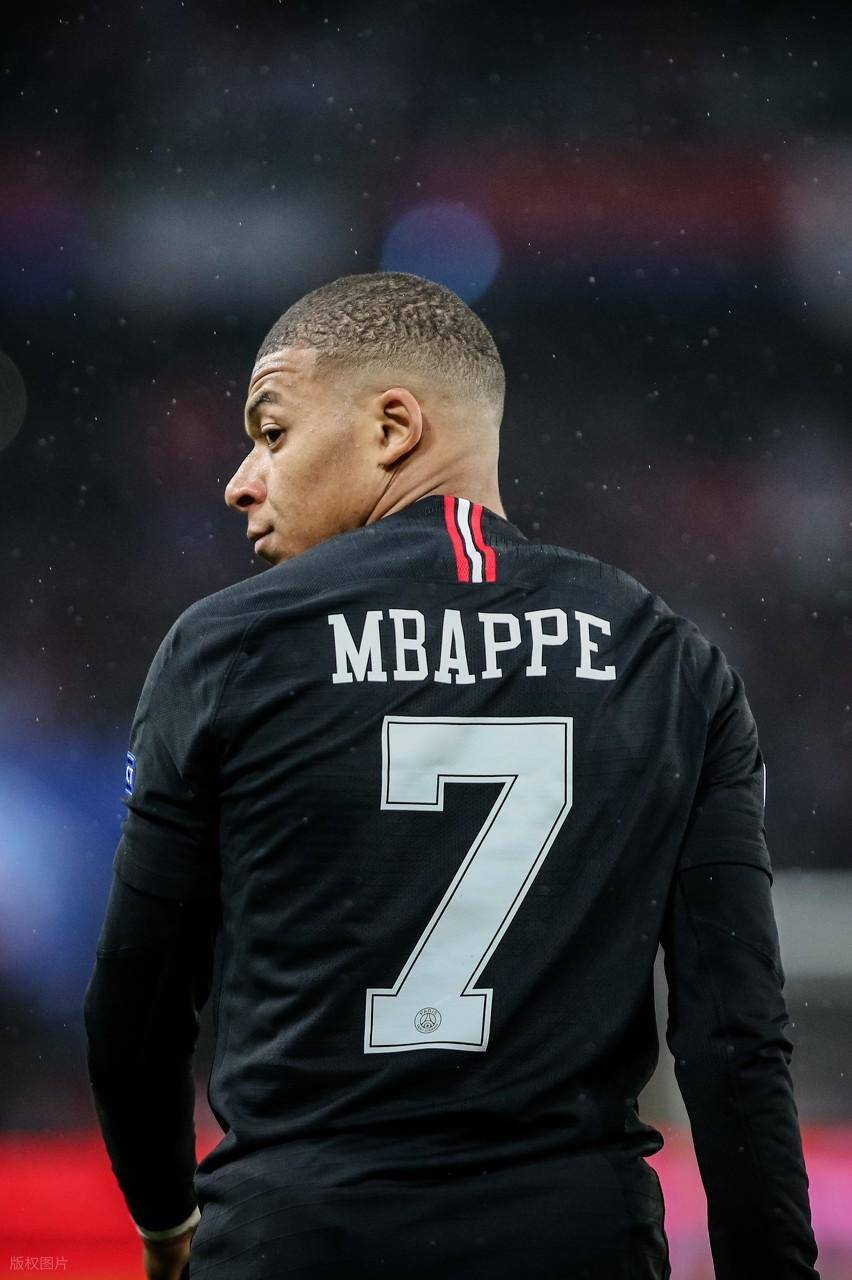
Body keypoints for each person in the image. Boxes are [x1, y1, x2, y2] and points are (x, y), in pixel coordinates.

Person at [83, 270, 820, 1280]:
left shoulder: (226, 649)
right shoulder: (667, 660)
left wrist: (168, 1222)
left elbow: (135, 1007)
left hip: (299, 1241)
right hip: (573, 1246)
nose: (241, 481)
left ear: (393, 427)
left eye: (272, 432)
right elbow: (735, 1040)